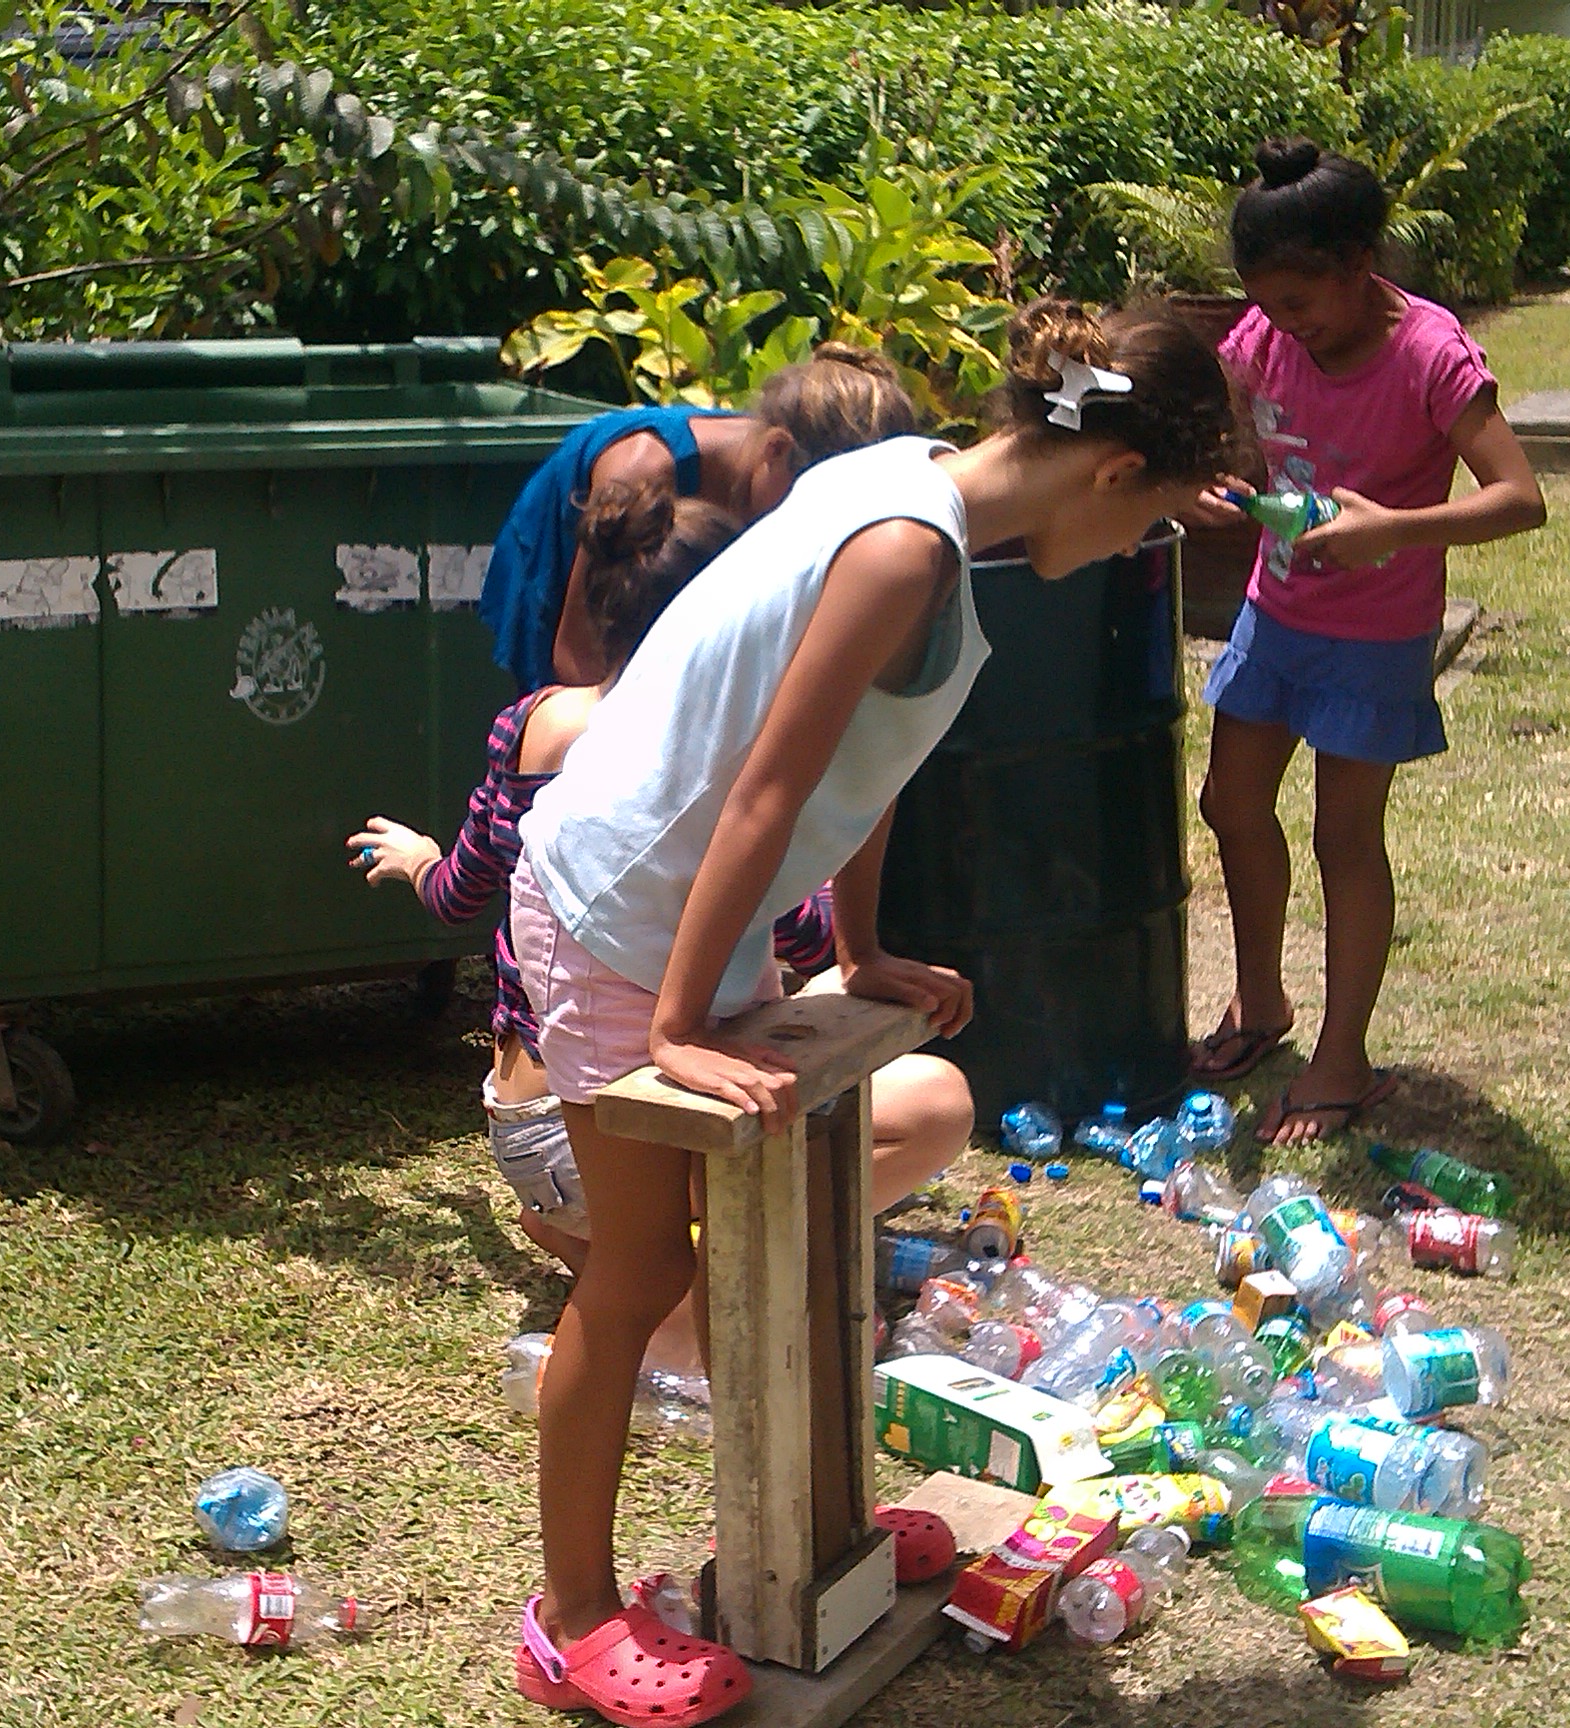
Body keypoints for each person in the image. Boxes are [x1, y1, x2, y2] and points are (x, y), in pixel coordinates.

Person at [506, 298, 1240, 1727]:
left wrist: (867, 944)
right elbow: (772, 778)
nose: (1136, 548)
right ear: (1105, 472)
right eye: (1151, 515)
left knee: (774, 1244)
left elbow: (863, 761)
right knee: (644, 1265)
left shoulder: (910, 495)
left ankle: (793, 1540)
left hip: (683, 914)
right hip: (618, 907)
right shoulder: (904, 545)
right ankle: (573, 1619)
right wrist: (671, 1025)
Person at [348, 483, 842, 1368]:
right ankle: (668, 1285)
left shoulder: (533, 728)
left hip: (532, 1127)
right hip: (619, 1125)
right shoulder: (714, 770)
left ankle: (609, 1249)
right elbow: (808, 937)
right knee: (922, 1111)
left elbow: (462, 893)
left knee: (659, 1263)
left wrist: (423, 858)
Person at [1185, 139, 1546, 1146]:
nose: (1283, 326)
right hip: (1277, 612)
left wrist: (1391, 527)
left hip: (1374, 638)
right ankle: (1262, 1007)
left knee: (1347, 839)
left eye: (1301, 302)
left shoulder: (1429, 354)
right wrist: (1226, 483)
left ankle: (1344, 1057)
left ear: (1360, 266)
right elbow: (1240, 423)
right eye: (1268, 303)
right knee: (1231, 802)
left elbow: (1521, 501)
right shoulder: (1269, 334)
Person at [478, 344, 920, 691]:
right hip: (561, 590)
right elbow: (576, 656)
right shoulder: (641, 471)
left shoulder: (768, 471)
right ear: (776, 450)